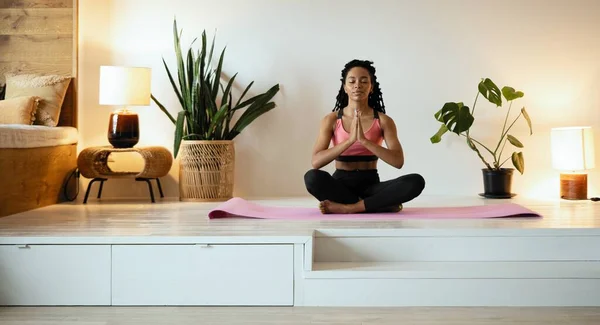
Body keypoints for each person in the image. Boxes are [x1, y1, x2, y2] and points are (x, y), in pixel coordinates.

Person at [304, 59, 425, 214]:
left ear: (371, 87)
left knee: (415, 181)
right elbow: (316, 162)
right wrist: (349, 141)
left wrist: (364, 141)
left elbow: (398, 161)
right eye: (352, 81)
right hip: (340, 185)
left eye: (363, 81)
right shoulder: (332, 120)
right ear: (345, 87)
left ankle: (351, 207)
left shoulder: (383, 121)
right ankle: (376, 205)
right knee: (312, 178)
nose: (357, 85)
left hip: (371, 185)